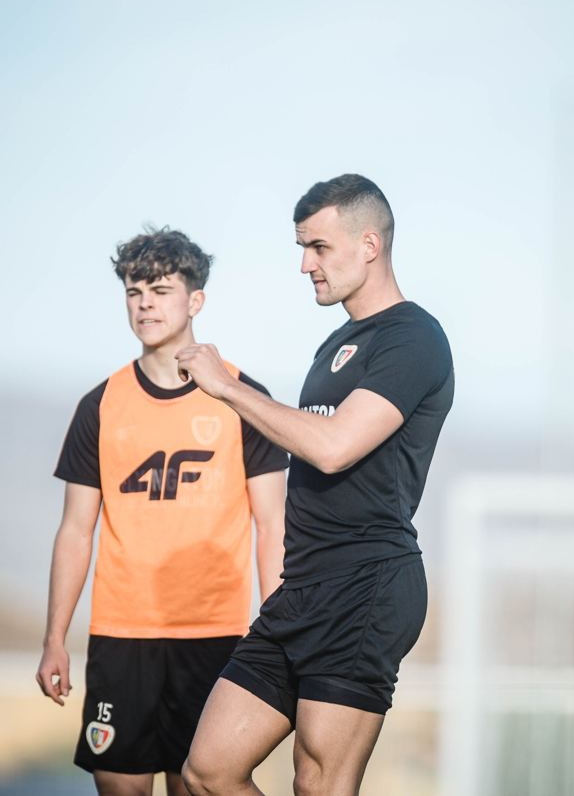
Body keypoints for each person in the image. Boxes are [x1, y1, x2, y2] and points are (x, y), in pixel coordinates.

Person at [174, 174, 454, 795]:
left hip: (366, 584)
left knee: (318, 785)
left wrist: (228, 388)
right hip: (302, 589)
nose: (305, 265)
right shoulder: (336, 343)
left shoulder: (414, 338)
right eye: (302, 248)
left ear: (370, 245)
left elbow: (332, 447)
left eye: (319, 247)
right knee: (207, 773)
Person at [35, 227, 288, 796]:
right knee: (119, 786)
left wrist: (278, 634)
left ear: (196, 300)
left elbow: (272, 526)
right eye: (134, 291)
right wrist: (54, 638)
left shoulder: (243, 397)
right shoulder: (101, 405)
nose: (145, 304)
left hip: (215, 634)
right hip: (121, 633)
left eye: (160, 290)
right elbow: (75, 531)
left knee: (196, 785)